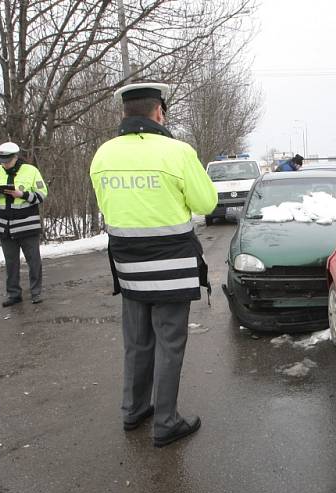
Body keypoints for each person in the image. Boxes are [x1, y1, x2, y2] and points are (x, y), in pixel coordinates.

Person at [89, 82, 217, 448]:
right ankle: (166, 421)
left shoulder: (103, 155)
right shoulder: (177, 152)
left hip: (128, 267)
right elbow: (206, 203)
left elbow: (106, 204)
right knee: (169, 344)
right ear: (159, 111)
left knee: (137, 342)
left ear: (123, 114)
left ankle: (133, 410)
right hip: (171, 268)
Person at [0, 142, 48, 306]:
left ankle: (36, 293)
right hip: (4, 225)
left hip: (27, 224)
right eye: (1, 160)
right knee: (11, 262)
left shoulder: (31, 171)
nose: (4, 164)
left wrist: (23, 194)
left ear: (15, 157)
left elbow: (42, 194)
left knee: (34, 261)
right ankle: (14, 294)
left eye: (7, 160)